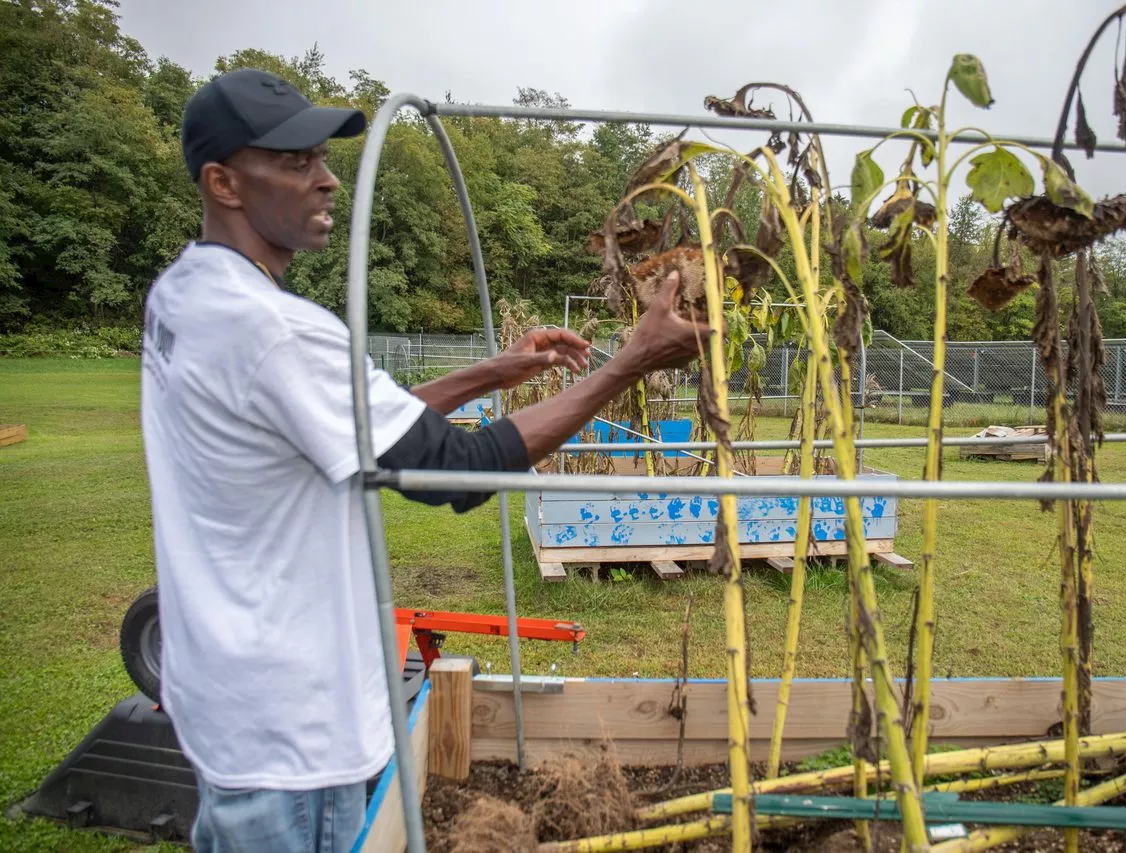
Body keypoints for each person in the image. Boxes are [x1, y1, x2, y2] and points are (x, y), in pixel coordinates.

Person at [140, 68, 707, 853]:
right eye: (298, 160)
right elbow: (459, 471)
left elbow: (340, 419)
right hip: (289, 732)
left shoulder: (186, 293)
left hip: (230, 694)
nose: (330, 178)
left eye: (325, 157)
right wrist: (628, 364)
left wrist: (491, 373)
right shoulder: (270, 329)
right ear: (224, 182)